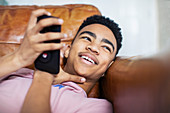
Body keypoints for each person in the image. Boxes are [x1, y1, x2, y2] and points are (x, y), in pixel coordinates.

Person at [0, 9, 122, 113]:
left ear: (108, 67)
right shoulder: (16, 71)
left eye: (106, 47)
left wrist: (44, 75)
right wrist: (18, 58)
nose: (93, 48)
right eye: (86, 38)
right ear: (67, 50)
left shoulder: (96, 107)